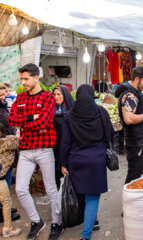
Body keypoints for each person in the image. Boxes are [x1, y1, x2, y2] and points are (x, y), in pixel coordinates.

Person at [8, 63, 62, 240]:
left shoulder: (47, 97)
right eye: (22, 79)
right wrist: (32, 117)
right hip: (25, 150)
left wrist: (24, 122)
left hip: (44, 149)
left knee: (51, 189)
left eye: (26, 78)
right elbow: (11, 119)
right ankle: (36, 221)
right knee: (21, 189)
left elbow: (45, 122)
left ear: (36, 77)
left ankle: (56, 222)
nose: (23, 82)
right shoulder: (21, 98)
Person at [61, 85, 113, 240]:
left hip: (76, 160)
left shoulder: (69, 116)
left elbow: (65, 143)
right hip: (96, 159)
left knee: (82, 192)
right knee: (92, 196)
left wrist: (63, 163)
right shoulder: (101, 112)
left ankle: (92, 221)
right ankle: (86, 235)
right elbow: (110, 133)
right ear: (92, 96)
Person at [115, 67, 143, 183]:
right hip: (137, 142)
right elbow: (128, 118)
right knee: (134, 177)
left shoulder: (136, 94)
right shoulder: (130, 95)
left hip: (141, 141)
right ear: (136, 79)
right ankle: (129, 200)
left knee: (138, 176)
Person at [0, 83, 20, 225]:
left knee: (6, 177)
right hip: (3, 147)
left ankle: (4, 208)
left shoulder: (4, 106)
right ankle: (2, 210)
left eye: (5, 93)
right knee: (4, 179)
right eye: (1, 94)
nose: (4, 96)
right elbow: (9, 121)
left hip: (7, 145)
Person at [0, 124, 21, 237]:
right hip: (0, 180)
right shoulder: (4, 143)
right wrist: (11, 136)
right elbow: (18, 140)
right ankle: (7, 229)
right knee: (6, 203)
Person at [53, 85, 74, 188]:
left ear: (64, 95)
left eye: (59, 94)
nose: (56, 97)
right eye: (54, 94)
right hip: (54, 144)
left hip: (66, 143)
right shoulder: (51, 109)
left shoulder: (71, 110)